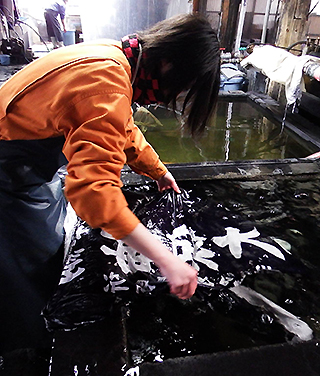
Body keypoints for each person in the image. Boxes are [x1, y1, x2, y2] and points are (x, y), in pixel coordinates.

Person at [0, 13, 220, 357]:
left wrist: (157, 170)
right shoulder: (106, 80)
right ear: (167, 64)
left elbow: (121, 128)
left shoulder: (114, 57)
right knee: (25, 272)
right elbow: (93, 189)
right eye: (180, 87)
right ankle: (24, 351)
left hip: (26, 167)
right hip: (8, 172)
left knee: (51, 244)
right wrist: (166, 259)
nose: (170, 99)